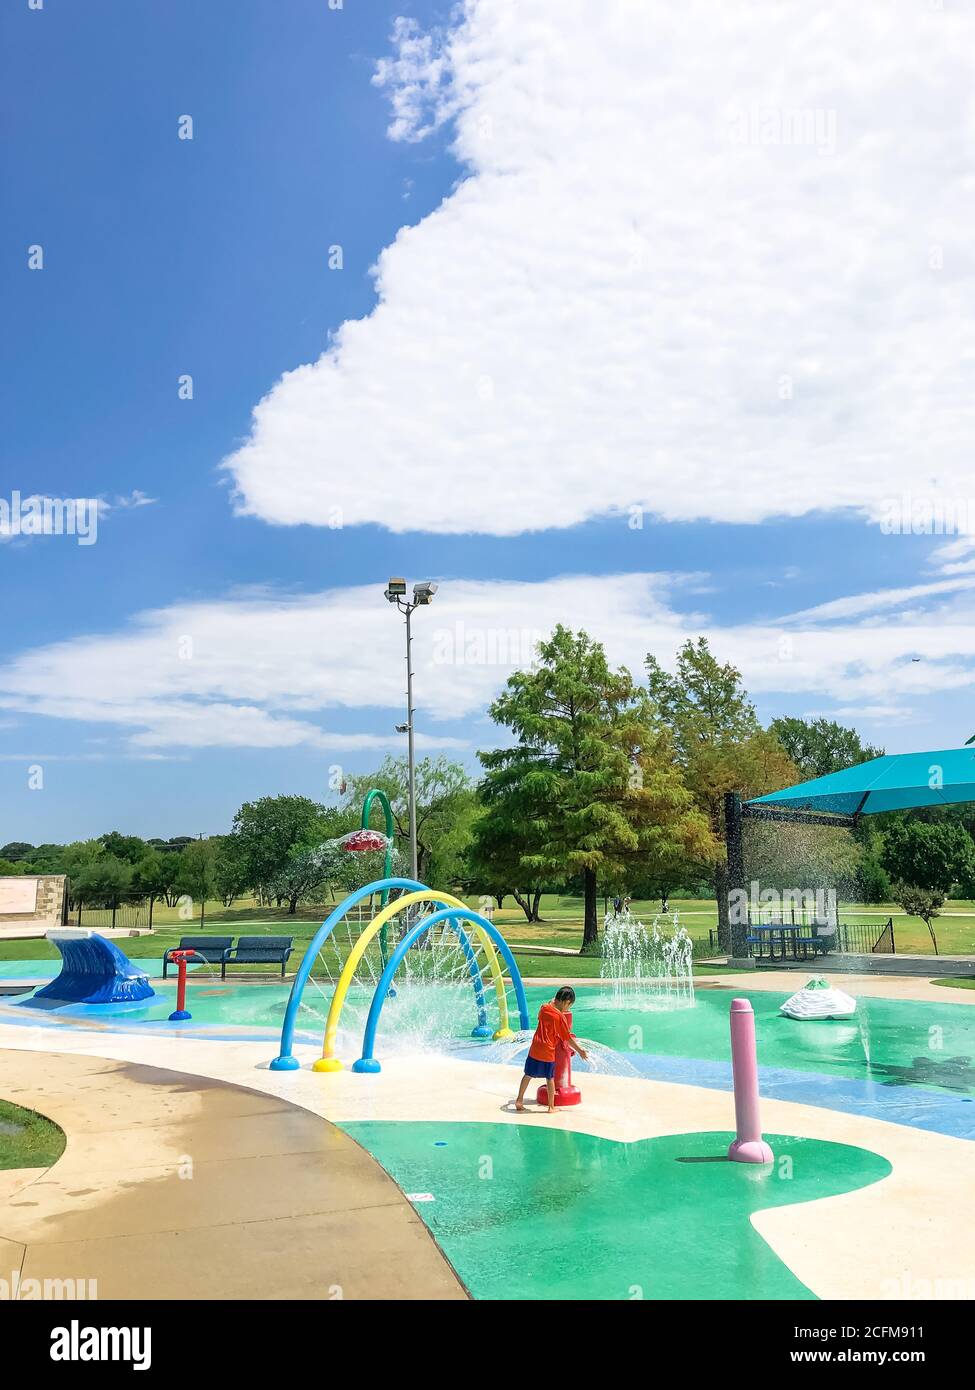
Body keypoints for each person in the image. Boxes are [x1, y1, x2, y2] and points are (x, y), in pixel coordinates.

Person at [515, 986, 588, 1113]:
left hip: (535, 1048)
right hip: (548, 1051)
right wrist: (580, 1050)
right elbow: (568, 1038)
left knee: (527, 1074)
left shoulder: (544, 1008)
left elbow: (551, 1002)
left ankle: (519, 1100)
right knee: (550, 1078)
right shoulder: (560, 1018)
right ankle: (551, 1106)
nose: (568, 1009)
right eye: (569, 1006)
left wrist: (555, 1001)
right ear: (566, 1002)